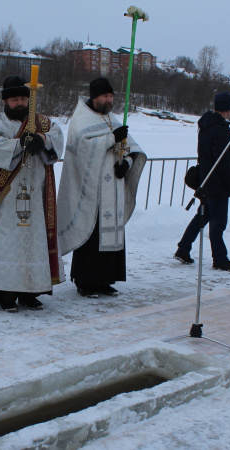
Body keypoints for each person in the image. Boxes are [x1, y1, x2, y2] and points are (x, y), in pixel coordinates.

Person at [0, 75, 65, 312]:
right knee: (11, 243)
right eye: (15, 99)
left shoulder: (42, 122)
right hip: (9, 197)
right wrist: (19, 144)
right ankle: (6, 296)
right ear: (5, 101)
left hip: (36, 195)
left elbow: (57, 137)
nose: (20, 103)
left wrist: (42, 139)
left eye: (23, 99)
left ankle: (31, 292)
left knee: (35, 242)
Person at [58, 77, 147, 298]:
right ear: (94, 97)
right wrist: (110, 139)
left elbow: (130, 149)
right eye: (105, 96)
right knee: (91, 236)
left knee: (111, 236)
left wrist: (125, 165)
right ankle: (85, 282)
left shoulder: (113, 119)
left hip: (113, 189)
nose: (110, 100)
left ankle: (106, 280)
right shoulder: (81, 119)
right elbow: (83, 149)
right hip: (91, 191)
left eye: (111, 96)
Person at [174, 91, 230, 272]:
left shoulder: (206, 125)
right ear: (228, 109)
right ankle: (219, 259)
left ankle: (183, 248)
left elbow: (209, 154)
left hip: (206, 178)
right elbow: (221, 161)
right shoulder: (219, 129)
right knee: (218, 223)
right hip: (217, 183)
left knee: (202, 217)